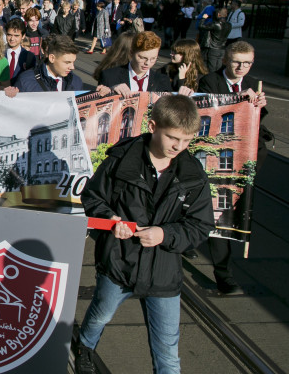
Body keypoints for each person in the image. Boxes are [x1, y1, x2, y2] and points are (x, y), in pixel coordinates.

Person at [76, 94, 215, 374]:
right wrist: (110, 219)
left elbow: (200, 225)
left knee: (168, 352)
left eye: (187, 140)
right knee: (100, 314)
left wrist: (165, 234)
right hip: (119, 262)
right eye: (173, 138)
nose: (179, 146)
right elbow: (92, 197)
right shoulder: (121, 159)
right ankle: (85, 347)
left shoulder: (192, 174)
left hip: (163, 271)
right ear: (153, 126)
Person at [197, 41, 270, 295]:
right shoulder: (209, 82)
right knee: (212, 212)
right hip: (212, 158)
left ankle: (222, 273)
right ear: (226, 60)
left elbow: (258, 120)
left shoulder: (254, 83)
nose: (241, 67)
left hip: (242, 162)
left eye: (247, 63)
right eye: (237, 62)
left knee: (224, 215)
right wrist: (239, 99)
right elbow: (211, 110)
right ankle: (222, 274)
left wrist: (260, 104)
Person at [96, 31, 172, 97]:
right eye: (142, 58)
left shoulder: (162, 80)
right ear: (131, 53)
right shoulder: (110, 76)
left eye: (153, 58)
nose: (147, 63)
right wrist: (110, 91)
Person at [15, 35, 84, 92]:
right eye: (67, 62)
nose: (72, 67)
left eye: (73, 62)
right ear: (52, 58)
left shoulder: (76, 82)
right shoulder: (26, 81)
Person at [198, 7, 231, 73]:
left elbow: (201, 26)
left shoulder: (215, 24)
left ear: (218, 14)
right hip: (222, 48)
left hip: (213, 48)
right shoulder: (229, 25)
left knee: (211, 67)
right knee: (219, 67)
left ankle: (211, 80)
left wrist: (203, 18)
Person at [4, 18, 36, 85]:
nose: (12, 39)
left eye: (16, 36)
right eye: (9, 35)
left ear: (23, 36)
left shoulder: (29, 57)